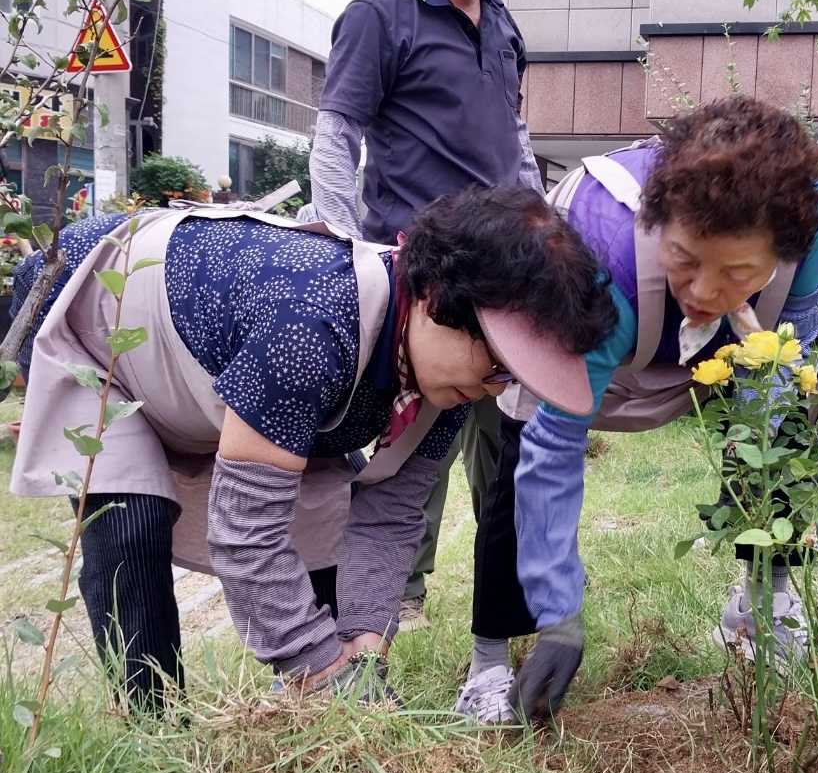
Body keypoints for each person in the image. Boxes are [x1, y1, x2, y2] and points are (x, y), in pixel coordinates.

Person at [9, 185, 619, 706]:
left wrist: (365, 642)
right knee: (131, 520)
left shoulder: (452, 383)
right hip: (102, 313)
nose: (495, 387)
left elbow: (391, 513)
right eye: (498, 361)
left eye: (511, 376)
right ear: (434, 300)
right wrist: (323, 673)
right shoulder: (314, 323)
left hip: (210, 371)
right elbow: (247, 529)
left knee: (321, 533)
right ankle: (150, 724)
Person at [446, 96, 818, 723]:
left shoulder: (814, 218)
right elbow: (554, 449)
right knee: (518, 447)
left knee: (782, 422)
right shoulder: (600, 260)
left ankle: (762, 603)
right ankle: (490, 659)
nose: (706, 291)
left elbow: (788, 346)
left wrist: (766, 414)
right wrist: (560, 618)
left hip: (707, 342)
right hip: (600, 310)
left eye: (737, 270)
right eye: (687, 258)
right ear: (664, 228)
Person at [311, 0, 544, 632]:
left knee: (509, 437)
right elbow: (336, 136)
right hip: (415, 272)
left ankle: (511, 593)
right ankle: (397, 596)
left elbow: (516, 142)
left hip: (500, 267)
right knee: (414, 439)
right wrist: (344, 251)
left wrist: (541, 231)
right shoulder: (379, 16)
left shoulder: (500, 22)